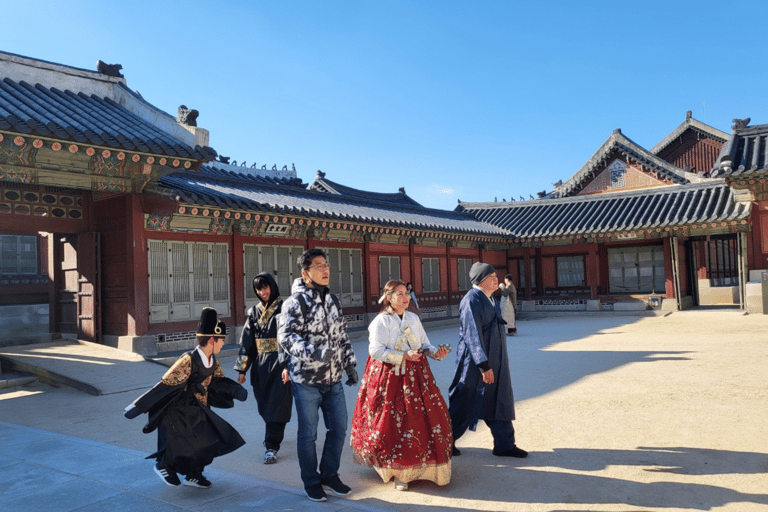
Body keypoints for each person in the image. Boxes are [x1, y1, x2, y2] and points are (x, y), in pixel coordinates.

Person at [124, 308, 247, 489]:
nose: (223, 344)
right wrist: (138, 406)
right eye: (221, 341)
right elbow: (165, 384)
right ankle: (163, 466)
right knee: (179, 445)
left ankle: (194, 475)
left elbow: (218, 381)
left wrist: (234, 390)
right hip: (178, 410)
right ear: (211, 340)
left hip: (199, 408)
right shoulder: (188, 360)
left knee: (206, 442)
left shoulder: (213, 361)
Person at [351, 280, 452, 491]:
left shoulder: (413, 318)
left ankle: (420, 467)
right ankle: (398, 471)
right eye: (399, 294)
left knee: (419, 420)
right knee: (394, 421)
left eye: (406, 293)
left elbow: (424, 343)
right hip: (390, 377)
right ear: (389, 298)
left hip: (417, 375)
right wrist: (403, 355)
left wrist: (435, 353)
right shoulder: (381, 321)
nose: (405, 297)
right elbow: (375, 351)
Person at [277, 248, 359, 502]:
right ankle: (311, 481)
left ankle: (329, 475)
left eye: (327, 265)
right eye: (319, 266)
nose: (326, 270)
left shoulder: (333, 300)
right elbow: (286, 338)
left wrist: (349, 364)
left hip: (333, 380)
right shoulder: (295, 302)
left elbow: (342, 336)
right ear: (306, 272)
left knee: (339, 428)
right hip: (307, 382)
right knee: (308, 434)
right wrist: (314, 352)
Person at [448, 262, 527, 458]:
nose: (496, 279)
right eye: (491, 276)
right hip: (474, 363)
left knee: (499, 398)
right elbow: (472, 334)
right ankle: (444, 442)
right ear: (480, 280)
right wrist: (483, 365)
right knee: (465, 401)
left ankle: (504, 444)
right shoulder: (471, 300)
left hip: (496, 359)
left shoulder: (490, 299)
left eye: (495, 275)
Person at [234, 272, 292, 464]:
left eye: (265, 287)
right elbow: (247, 343)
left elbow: (290, 339)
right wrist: (242, 370)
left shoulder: (284, 309)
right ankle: (272, 434)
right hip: (260, 365)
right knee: (265, 404)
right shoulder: (253, 312)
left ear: (272, 286)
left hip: (279, 363)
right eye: (259, 288)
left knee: (278, 404)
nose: (262, 291)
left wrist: (287, 365)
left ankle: (271, 446)